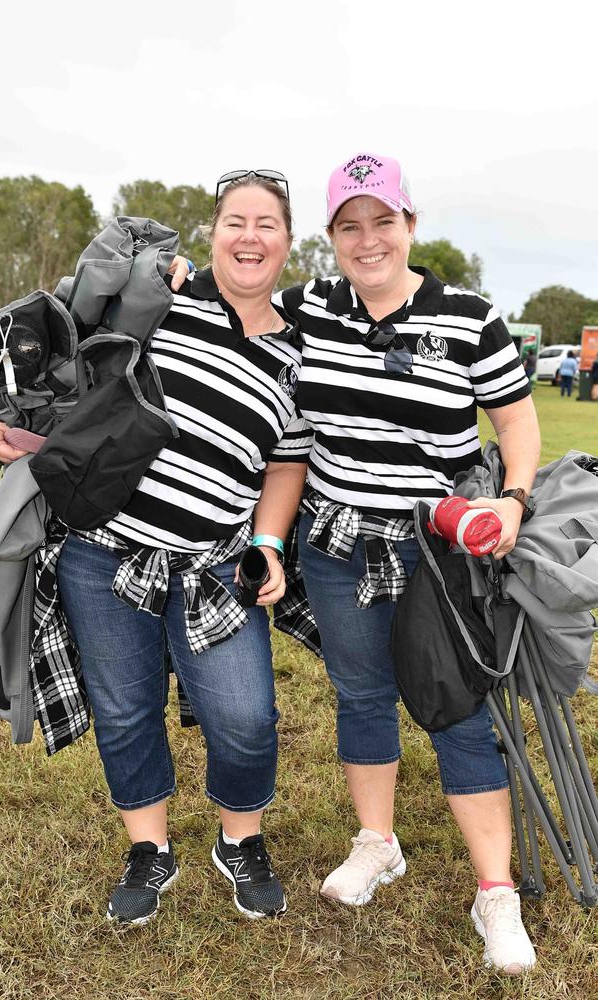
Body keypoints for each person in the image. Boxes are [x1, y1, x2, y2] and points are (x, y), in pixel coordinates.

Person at [0, 170, 311, 925]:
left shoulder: (298, 354)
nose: (250, 236)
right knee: (126, 711)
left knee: (246, 717)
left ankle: (239, 839)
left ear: (287, 241)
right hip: (104, 554)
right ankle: (149, 849)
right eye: (235, 221)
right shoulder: (162, 304)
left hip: (215, 568)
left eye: (266, 223)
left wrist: (269, 540)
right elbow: (44, 353)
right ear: (216, 232)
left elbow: (287, 463)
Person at [275, 153, 541, 975]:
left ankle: (495, 892)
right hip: (334, 542)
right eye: (349, 226)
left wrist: (515, 498)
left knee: (455, 706)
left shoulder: (469, 316)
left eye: (382, 221)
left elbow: (515, 423)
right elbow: (222, 303)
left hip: (435, 549)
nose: (368, 239)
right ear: (331, 238)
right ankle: (377, 843)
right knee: (361, 694)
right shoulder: (309, 306)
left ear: (410, 225)